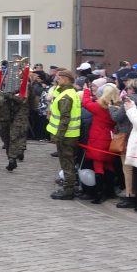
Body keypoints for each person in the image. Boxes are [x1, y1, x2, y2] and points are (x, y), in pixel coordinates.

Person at [81, 83, 121, 203]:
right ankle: (109, 191)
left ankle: (99, 194)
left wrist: (86, 91)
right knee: (108, 165)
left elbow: (86, 103)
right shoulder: (116, 108)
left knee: (98, 166)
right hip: (109, 138)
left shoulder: (99, 107)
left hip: (98, 139)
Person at [110, 79, 137, 208]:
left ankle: (130, 195)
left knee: (127, 168)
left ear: (131, 89)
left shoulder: (129, 100)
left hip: (126, 135)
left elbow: (117, 117)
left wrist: (111, 108)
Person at [48, 69, 81, 200]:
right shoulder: (69, 92)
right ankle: (70, 187)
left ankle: (68, 191)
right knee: (68, 162)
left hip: (66, 135)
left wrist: (58, 136)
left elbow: (65, 118)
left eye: (59, 77)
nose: (57, 79)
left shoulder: (67, 96)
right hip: (70, 134)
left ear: (66, 79)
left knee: (66, 163)